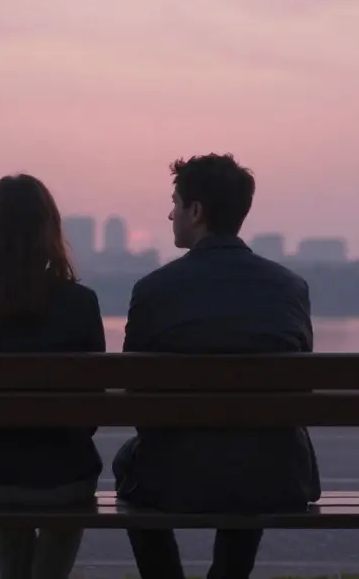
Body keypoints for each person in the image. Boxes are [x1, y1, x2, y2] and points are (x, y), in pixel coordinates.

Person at [114, 153, 321, 579]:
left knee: (127, 463)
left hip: (174, 479)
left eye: (175, 202)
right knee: (253, 454)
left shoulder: (154, 290)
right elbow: (298, 394)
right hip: (275, 479)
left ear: (196, 210)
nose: (170, 214)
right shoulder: (289, 288)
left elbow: (135, 400)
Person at [0, 174, 106, 579]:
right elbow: (93, 412)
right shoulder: (80, 304)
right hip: (63, 479)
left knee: (0, 462)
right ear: (50, 230)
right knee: (60, 481)